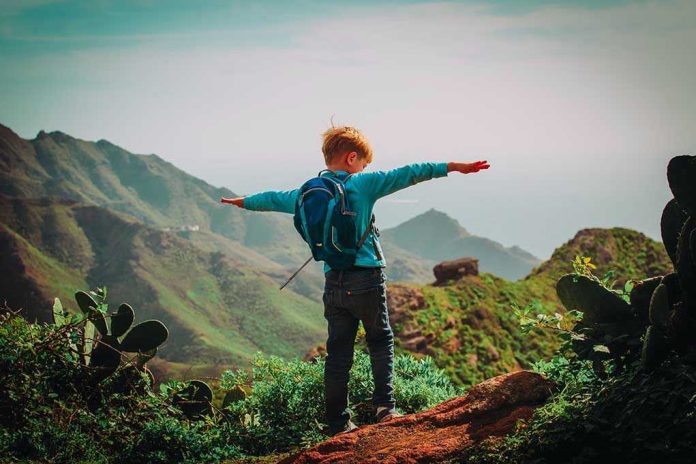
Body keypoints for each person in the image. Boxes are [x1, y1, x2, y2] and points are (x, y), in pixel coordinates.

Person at [221, 125, 489, 436]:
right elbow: (411, 172)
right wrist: (455, 167)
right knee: (380, 340)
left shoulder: (309, 192)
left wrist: (242, 201)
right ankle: (385, 409)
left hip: (333, 283)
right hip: (367, 279)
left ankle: (338, 424)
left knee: (337, 356)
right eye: (363, 162)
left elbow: (272, 198)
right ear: (352, 158)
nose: (365, 168)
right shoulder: (362, 184)